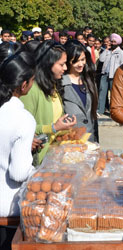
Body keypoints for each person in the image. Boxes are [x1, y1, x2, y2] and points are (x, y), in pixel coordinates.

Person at [0, 51, 36, 249]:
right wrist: (38, 172)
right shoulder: (23, 118)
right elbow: (19, 172)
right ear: (24, 85)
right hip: (8, 210)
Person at [20, 40, 77, 165]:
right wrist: (54, 128)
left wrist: (64, 128)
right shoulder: (32, 90)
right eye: (61, 65)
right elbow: (22, 129)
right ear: (48, 63)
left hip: (52, 155)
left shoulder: (53, 85)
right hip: (36, 160)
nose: (66, 68)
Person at [62, 40, 99, 142]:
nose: (81, 64)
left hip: (90, 140)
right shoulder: (60, 83)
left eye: (83, 59)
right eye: (75, 61)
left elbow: (93, 116)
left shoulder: (89, 81)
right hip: (70, 140)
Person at [97, 33, 123, 115]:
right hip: (105, 74)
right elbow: (101, 59)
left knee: (114, 95)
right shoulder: (107, 51)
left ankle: (113, 111)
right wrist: (106, 50)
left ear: (118, 43)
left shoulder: (121, 53)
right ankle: (100, 110)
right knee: (102, 92)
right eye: (111, 41)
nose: (112, 43)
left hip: (114, 76)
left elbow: (122, 65)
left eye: (114, 42)